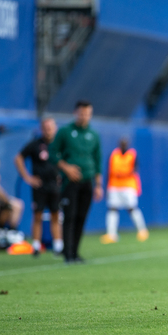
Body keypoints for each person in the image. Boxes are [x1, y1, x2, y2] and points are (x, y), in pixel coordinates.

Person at [49, 100, 103, 263]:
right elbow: (53, 153)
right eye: (81, 113)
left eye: (87, 113)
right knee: (70, 216)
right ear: (75, 113)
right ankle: (67, 253)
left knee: (81, 217)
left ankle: (76, 252)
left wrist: (99, 185)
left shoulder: (94, 135)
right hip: (70, 182)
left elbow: (97, 160)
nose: (84, 116)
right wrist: (66, 168)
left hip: (87, 181)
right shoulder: (65, 132)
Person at [15, 117, 64, 256]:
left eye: (51, 128)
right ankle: (36, 245)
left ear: (55, 129)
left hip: (55, 186)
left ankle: (58, 245)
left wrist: (63, 176)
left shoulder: (59, 144)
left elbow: (66, 161)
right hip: (40, 186)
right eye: (46, 128)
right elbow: (18, 158)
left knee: (56, 215)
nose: (48, 131)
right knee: (38, 215)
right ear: (42, 129)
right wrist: (27, 177)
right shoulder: (35, 144)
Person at [100, 138, 148, 244]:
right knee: (112, 208)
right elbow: (109, 171)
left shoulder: (132, 154)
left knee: (131, 208)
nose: (123, 145)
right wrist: (107, 187)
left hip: (128, 185)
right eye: (122, 143)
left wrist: (123, 173)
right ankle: (111, 234)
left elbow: (135, 169)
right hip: (114, 185)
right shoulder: (113, 155)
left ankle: (142, 231)